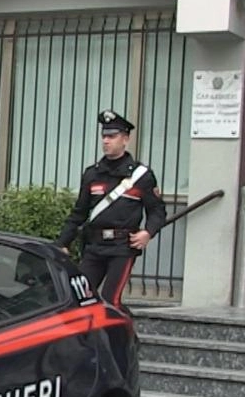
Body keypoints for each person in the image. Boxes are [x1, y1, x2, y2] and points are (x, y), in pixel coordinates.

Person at [55, 109, 167, 311]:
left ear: (125, 139)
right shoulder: (92, 174)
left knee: (109, 301)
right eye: (104, 136)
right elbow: (79, 213)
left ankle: (121, 339)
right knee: (78, 298)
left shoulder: (141, 176)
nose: (106, 141)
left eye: (112, 136)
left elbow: (157, 211)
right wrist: (63, 242)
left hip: (122, 248)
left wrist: (147, 233)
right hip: (94, 247)